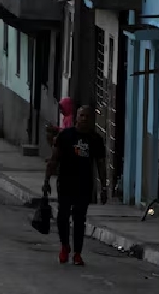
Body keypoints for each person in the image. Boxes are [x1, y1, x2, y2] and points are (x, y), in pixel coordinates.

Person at [44, 105, 107, 266]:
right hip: (65, 183)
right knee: (63, 216)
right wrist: (46, 181)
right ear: (76, 117)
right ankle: (65, 246)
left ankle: (78, 253)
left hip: (84, 185)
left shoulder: (95, 139)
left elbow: (100, 164)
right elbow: (54, 159)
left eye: (87, 116)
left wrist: (104, 188)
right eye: (81, 115)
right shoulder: (66, 136)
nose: (84, 118)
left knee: (80, 219)